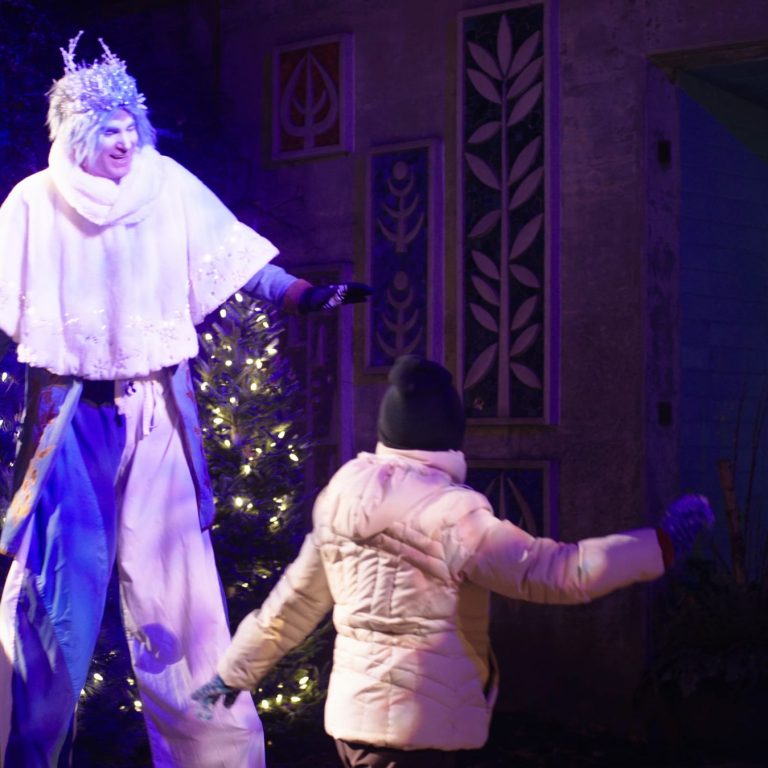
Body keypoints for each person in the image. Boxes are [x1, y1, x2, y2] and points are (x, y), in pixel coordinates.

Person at [0, 32, 370, 768]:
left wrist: (303, 295)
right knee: (53, 598)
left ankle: (216, 759)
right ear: (77, 132)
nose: (125, 138)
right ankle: (27, 755)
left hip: (159, 414)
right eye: (109, 127)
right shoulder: (33, 205)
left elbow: (229, 254)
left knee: (182, 595)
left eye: (131, 123)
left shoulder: (165, 184)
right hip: (66, 427)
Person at [193, 354, 714, 768]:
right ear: (449, 435)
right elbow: (555, 572)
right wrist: (659, 545)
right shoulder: (453, 514)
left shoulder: (340, 498)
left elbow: (292, 603)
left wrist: (234, 671)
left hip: (354, 725)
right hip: (422, 729)